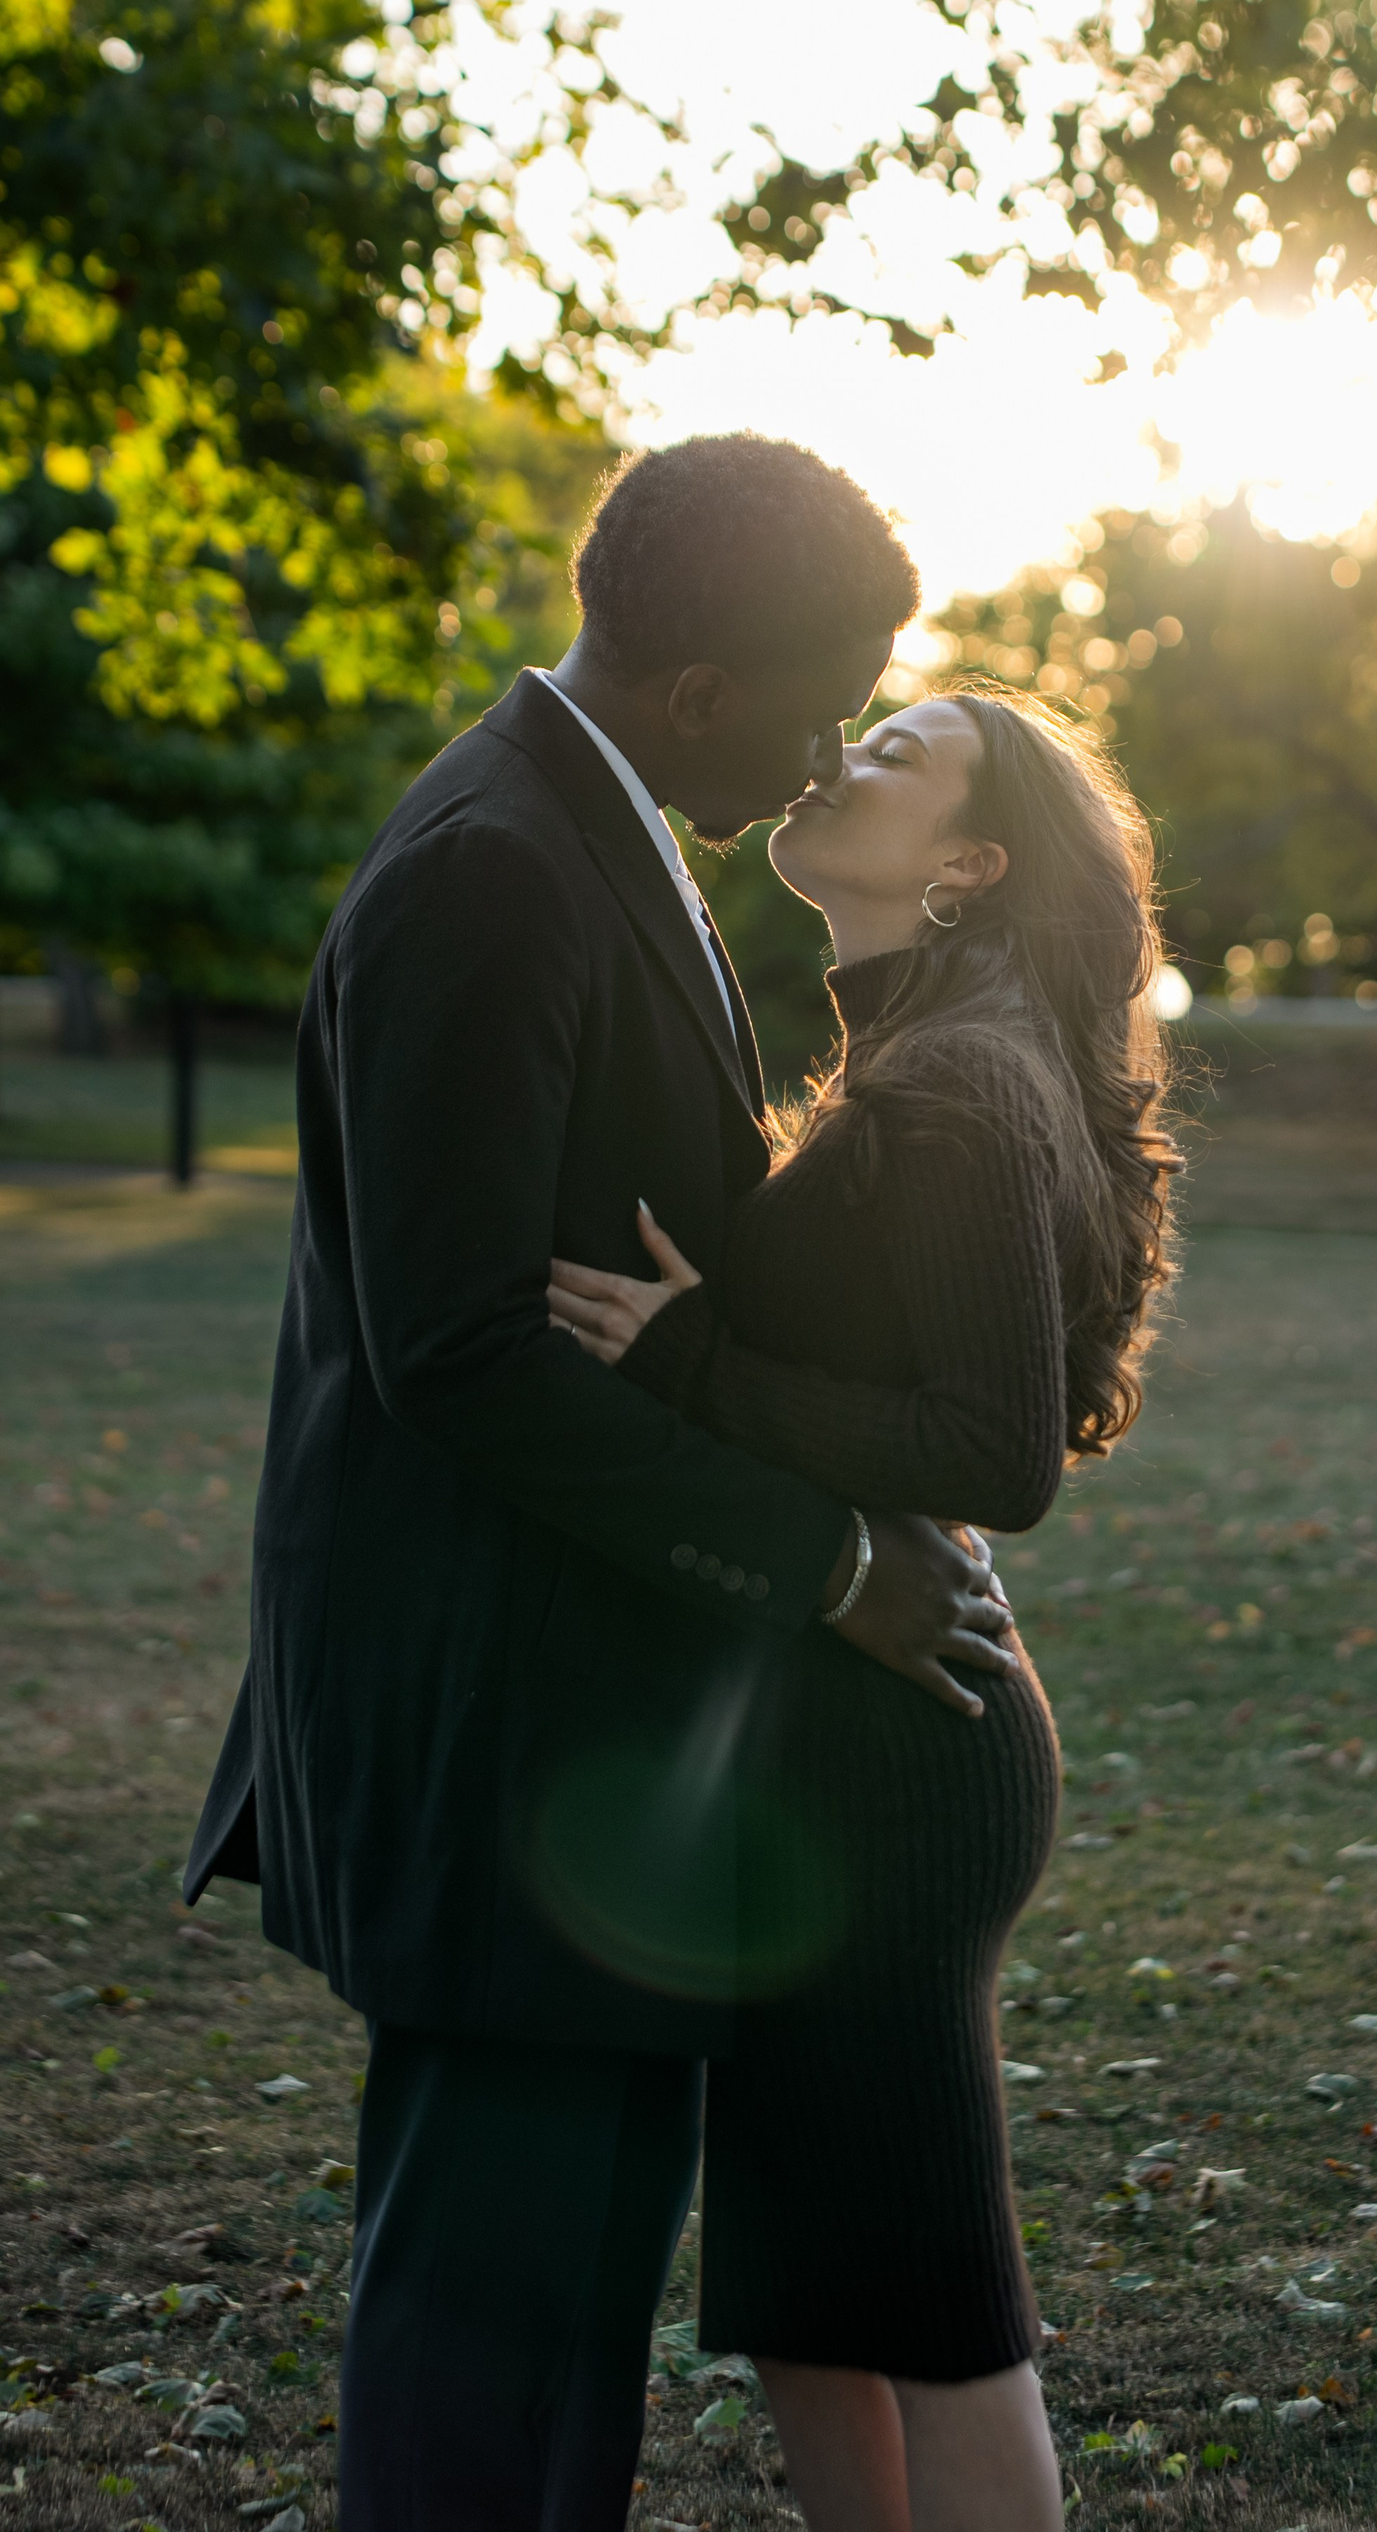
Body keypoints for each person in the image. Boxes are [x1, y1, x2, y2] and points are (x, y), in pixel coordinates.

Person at [182, 435, 1021, 2532]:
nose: (826, 757)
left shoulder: (593, 824)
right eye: (818, 711)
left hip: (599, 1730)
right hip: (504, 1725)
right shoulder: (494, 865)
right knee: (490, 2341)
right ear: (698, 689)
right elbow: (457, 1351)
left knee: (560, 2339)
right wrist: (828, 1563)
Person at [547, 684, 1180, 2532]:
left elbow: (995, 1453)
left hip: (906, 1760)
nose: (843, 753)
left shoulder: (961, 1087)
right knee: (806, 2298)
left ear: (968, 865)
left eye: (901, 753)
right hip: (823, 1739)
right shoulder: (909, 1057)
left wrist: (691, 1363)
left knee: (927, 2304)